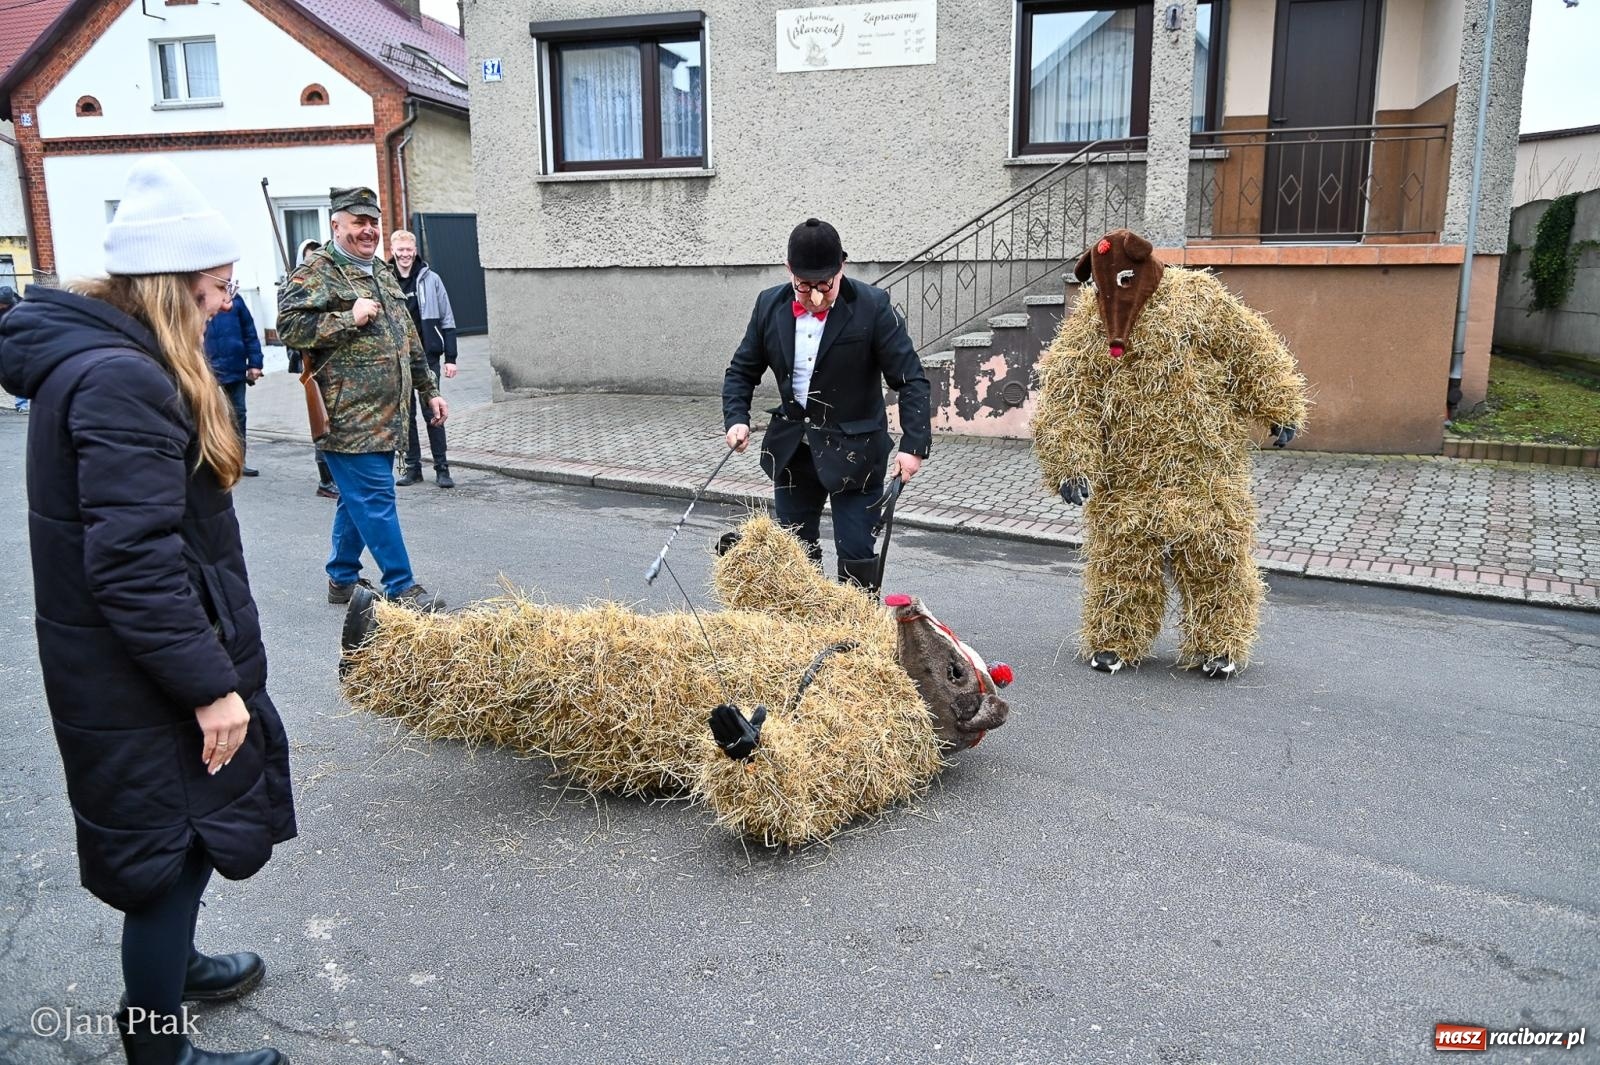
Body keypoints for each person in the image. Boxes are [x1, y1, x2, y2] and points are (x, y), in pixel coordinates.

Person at [0, 159, 294, 1065]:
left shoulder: (101, 361)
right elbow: (133, 563)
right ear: (170, 288)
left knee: (185, 842)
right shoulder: (124, 380)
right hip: (147, 675)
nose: (221, 306)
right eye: (212, 290)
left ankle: (178, 970)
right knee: (167, 860)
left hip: (129, 663)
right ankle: (158, 1047)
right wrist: (212, 688)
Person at [722, 217, 932, 591]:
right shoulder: (768, 305)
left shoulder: (873, 306)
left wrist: (913, 447)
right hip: (794, 454)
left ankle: (855, 639)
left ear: (842, 269)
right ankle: (804, 635)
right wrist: (736, 419)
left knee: (856, 554)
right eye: (804, 286)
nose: (815, 296)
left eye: (825, 285)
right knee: (793, 556)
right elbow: (741, 370)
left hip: (857, 455)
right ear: (789, 270)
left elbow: (911, 379)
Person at [276, 186, 448, 611]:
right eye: (358, 222)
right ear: (336, 224)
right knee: (375, 498)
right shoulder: (319, 270)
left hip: (389, 414)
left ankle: (341, 577)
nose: (368, 230)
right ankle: (401, 586)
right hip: (346, 414)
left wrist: (429, 391)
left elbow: (407, 335)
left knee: (361, 497)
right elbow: (288, 327)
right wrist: (345, 319)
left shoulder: (380, 272)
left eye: (373, 222)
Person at [388, 229, 458, 488]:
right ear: (393, 251)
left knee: (434, 412)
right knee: (406, 415)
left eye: (409, 250)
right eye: (400, 250)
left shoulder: (431, 279)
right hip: (398, 358)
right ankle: (412, 468)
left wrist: (450, 357)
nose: (405, 254)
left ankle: (442, 468)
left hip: (426, 356)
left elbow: (447, 318)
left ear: (414, 251)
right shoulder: (385, 279)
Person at [286, 238, 338, 499]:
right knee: (320, 421)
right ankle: (325, 480)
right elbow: (291, 329)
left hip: (331, 365)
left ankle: (335, 476)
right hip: (312, 366)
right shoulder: (293, 288)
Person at [202, 295, 264, 477]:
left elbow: (249, 332)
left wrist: (255, 363)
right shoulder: (196, 297)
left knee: (238, 415)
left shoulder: (235, 300)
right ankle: (212, 461)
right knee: (209, 416)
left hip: (234, 367)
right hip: (205, 370)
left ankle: (238, 461)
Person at [0, 286, 23, 412]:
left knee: (16, 374)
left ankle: (22, 405)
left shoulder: (20, 306)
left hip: (13, 345)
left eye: (3, 304)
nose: (1, 306)